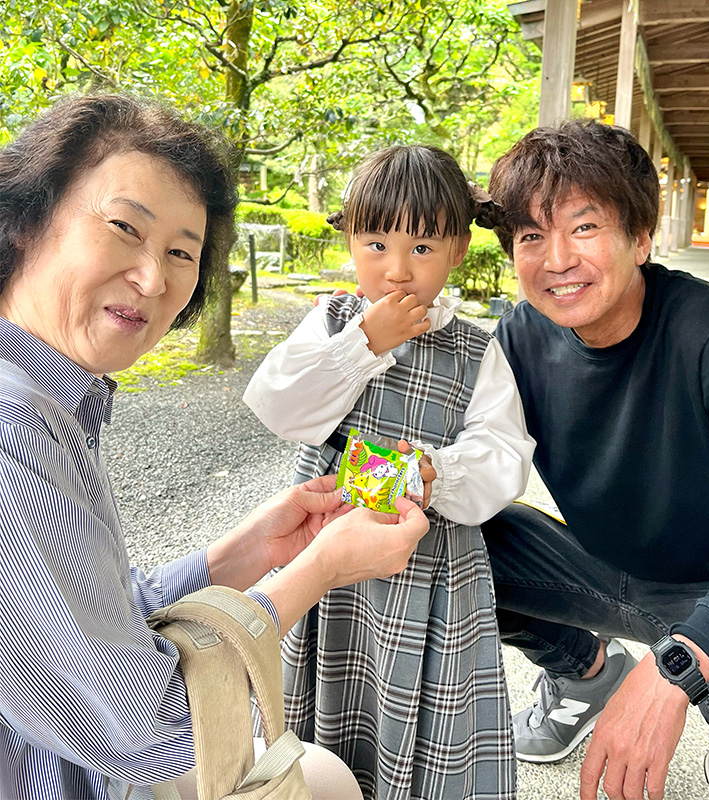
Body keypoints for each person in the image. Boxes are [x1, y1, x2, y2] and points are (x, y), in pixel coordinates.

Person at [0, 93, 431, 800]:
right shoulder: (14, 425)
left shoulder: (58, 400)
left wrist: (248, 553)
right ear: (26, 219)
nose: (153, 277)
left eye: (180, 252)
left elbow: (102, 620)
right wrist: (320, 568)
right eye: (123, 228)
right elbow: (151, 724)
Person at [481, 119, 709, 800]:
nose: (557, 258)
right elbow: (461, 461)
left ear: (641, 238)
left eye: (584, 227)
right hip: (594, 569)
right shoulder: (518, 334)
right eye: (531, 235)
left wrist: (674, 668)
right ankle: (584, 671)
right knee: (428, 534)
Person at [243, 144, 535, 800]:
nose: (397, 270)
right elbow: (277, 405)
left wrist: (439, 473)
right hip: (327, 552)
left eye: (423, 249)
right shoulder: (334, 321)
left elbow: (505, 452)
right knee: (324, 695)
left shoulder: (477, 349)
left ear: (459, 250)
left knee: (419, 706)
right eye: (376, 244)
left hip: (428, 565)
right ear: (349, 238)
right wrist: (363, 345)